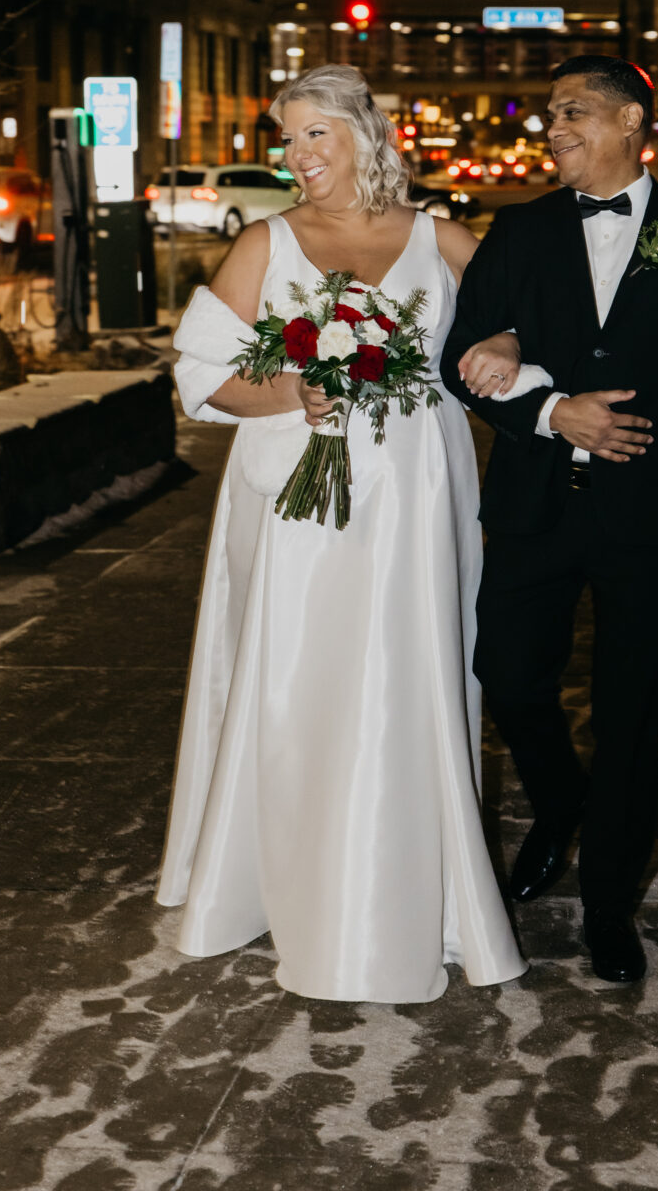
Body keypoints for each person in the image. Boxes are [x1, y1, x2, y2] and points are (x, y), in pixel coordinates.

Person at [157, 64, 528, 1003]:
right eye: (285, 139)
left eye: (311, 135)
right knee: (294, 674)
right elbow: (201, 378)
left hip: (414, 491)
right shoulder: (263, 242)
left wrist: (510, 345)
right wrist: (292, 387)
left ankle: (413, 889)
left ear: (363, 133)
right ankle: (272, 876)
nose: (295, 157)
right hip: (291, 491)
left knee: (410, 673)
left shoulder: (442, 237)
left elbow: (520, 325)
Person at [441, 54, 658, 984]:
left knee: (633, 712)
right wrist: (545, 406)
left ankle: (610, 907)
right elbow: (459, 351)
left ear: (630, 121)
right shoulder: (520, 229)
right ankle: (558, 801)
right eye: (548, 116)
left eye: (571, 112)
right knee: (502, 669)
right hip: (536, 504)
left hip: (652, 512)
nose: (552, 129)